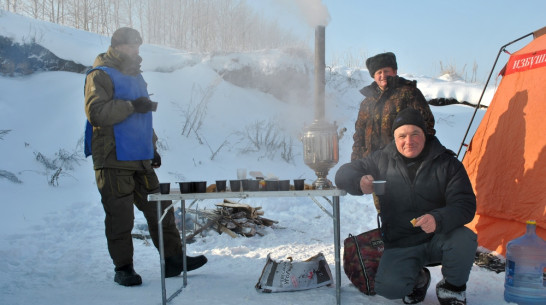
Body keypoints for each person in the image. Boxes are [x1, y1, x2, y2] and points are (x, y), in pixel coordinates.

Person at [84, 27, 207, 286]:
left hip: (140, 156)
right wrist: (130, 106)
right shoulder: (100, 75)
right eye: (132, 46)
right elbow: (96, 113)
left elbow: (143, 116)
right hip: (113, 157)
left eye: (139, 46)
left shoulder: (136, 75)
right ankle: (124, 268)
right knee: (120, 215)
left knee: (160, 208)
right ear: (117, 46)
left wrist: (152, 147)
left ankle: (173, 260)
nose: (137, 51)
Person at [335, 108, 477, 305]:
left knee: (464, 238)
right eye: (402, 136)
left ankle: (453, 289)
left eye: (414, 134)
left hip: (439, 237)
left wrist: (438, 218)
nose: (408, 141)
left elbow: (465, 204)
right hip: (401, 242)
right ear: (395, 138)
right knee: (388, 288)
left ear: (425, 135)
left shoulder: (447, 163)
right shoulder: (380, 160)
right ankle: (419, 279)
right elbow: (342, 173)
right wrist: (358, 181)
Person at [351, 52, 436, 161]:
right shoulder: (367, 102)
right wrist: (355, 162)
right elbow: (359, 134)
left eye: (386, 71)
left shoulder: (409, 93)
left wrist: (418, 158)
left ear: (394, 71)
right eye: (379, 72)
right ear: (374, 76)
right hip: (371, 163)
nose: (383, 75)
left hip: (400, 162)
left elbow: (427, 125)